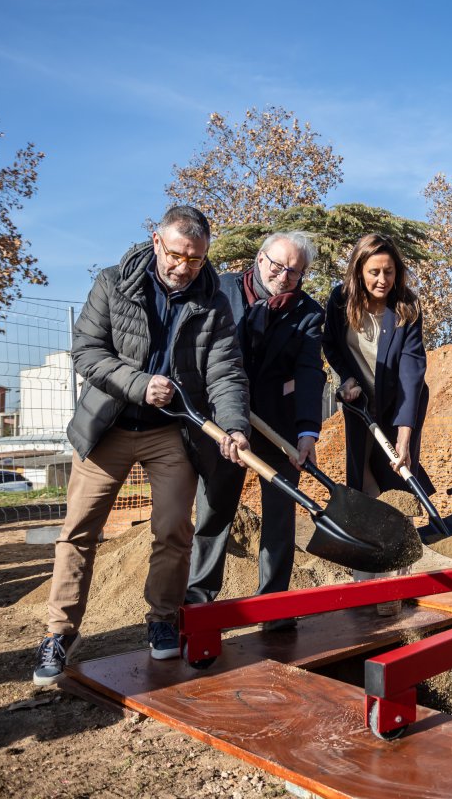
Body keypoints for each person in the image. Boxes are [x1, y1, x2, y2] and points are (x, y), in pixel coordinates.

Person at [32, 206, 250, 686]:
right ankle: (60, 633)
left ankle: (162, 617)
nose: (184, 267)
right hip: (107, 428)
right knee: (79, 531)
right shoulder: (113, 283)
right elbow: (87, 351)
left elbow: (225, 372)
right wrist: (137, 383)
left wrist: (233, 426)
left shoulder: (213, 301)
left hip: (168, 431)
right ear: (157, 242)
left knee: (174, 527)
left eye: (195, 260)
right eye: (176, 255)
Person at [185, 232, 326, 631]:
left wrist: (307, 432)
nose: (283, 276)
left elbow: (309, 373)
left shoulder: (308, 313)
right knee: (214, 507)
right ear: (260, 258)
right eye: (277, 265)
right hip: (221, 419)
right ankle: (199, 603)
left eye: (295, 271)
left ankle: (274, 607)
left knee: (280, 514)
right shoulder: (220, 289)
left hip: (276, 421)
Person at [322, 233, 431, 613]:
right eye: (373, 272)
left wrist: (404, 435)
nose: (382, 280)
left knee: (397, 474)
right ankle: (367, 576)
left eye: (389, 271)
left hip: (400, 400)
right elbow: (332, 345)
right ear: (359, 271)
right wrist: (344, 378)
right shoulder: (339, 301)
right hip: (359, 402)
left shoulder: (406, 308)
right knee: (362, 476)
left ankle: (397, 577)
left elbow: (411, 372)